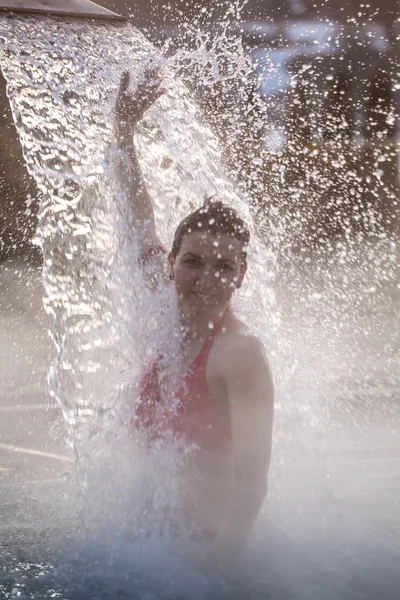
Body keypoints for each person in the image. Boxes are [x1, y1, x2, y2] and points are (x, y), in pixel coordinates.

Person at [115, 67, 274, 577]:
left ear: (242, 275)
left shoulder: (238, 354)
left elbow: (252, 483)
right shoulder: (162, 304)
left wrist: (215, 577)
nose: (206, 279)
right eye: (193, 262)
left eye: (225, 267)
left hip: (203, 561)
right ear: (172, 262)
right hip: (150, 550)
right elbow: (136, 213)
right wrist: (123, 132)